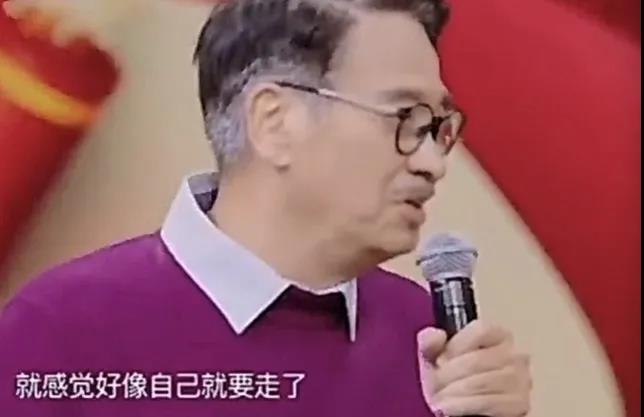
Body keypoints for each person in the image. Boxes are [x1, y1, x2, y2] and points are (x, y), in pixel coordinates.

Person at [0, 0, 532, 416]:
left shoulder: (426, 336)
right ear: (275, 121)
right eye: (404, 119)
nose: (433, 162)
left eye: (438, 128)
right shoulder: (61, 328)